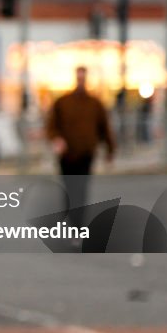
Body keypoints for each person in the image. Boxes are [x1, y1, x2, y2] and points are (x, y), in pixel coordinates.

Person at [46, 66, 116, 223]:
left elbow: (104, 128)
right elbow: (51, 126)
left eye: (83, 78)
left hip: (86, 153)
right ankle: (71, 219)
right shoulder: (63, 102)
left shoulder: (95, 104)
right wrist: (57, 139)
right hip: (67, 154)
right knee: (69, 188)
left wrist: (110, 150)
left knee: (81, 189)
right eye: (79, 78)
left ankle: (78, 223)